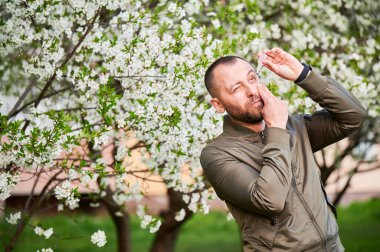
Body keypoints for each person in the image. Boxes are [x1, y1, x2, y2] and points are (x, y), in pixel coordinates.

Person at [200, 47, 367, 252]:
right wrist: (277, 128)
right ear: (218, 105)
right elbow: (270, 200)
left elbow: (353, 116)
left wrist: (303, 74)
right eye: (237, 89)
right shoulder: (216, 155)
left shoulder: (296, 127)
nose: (252, 91)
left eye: (252, 79)